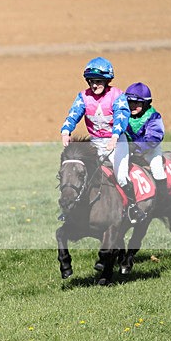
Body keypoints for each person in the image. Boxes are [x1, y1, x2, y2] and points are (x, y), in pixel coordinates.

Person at [60, 57, 143, 223]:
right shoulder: (83, 96)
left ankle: (133, 208)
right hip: (95, 144)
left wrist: (114, 136)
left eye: (98, 81)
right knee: (83, 175)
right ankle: (71, 209)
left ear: (107, 81)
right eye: (91, 81)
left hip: (116, 142)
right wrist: (66, 130)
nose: (94, 85)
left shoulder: (117, 96)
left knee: (120, 176)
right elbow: (74, 113)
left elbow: (121, 117)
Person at [124, 82, 166, 205]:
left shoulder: (154, 116)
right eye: (130, 102)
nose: (132, 106)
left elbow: (154, 138)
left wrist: (136, 147)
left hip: (150, 151)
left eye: (136, 103)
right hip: (128, 150)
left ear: (146, 103)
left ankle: (163, 200)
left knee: (157, 169)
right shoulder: (123, 115)